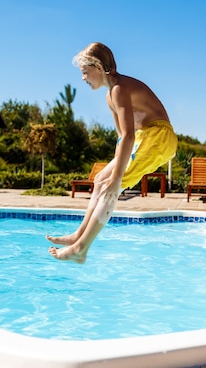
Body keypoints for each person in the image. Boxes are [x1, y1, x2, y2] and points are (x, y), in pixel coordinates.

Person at [46, 43, 178, 263]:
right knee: (100, 179)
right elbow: (121, 138)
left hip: (159, 138)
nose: (83, 78)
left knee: (112, 183)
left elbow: (129, 136)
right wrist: (113, 170)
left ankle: (81, 248)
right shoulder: (110, 96)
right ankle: (79, 236)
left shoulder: (119, 89)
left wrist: (117, 178)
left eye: (85, 72)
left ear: (98, 67)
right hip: (146, 136)